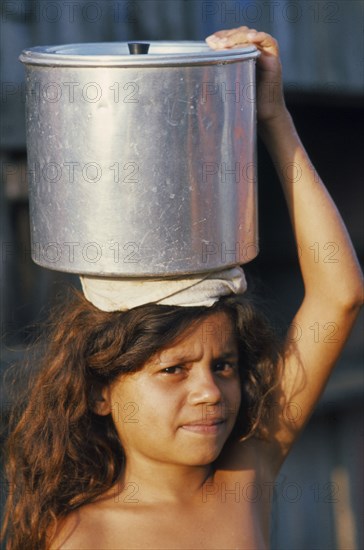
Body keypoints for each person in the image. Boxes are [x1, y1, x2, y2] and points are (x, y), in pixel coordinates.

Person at [1, 27, 362, 550]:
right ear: (102, 390)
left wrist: (274, 118)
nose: (210, 393)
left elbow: (340, 295)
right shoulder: (82, 538)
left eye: (224, 366)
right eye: (173, 370)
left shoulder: (244, 476)